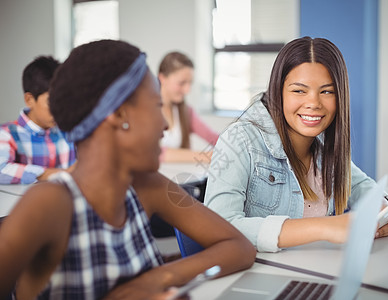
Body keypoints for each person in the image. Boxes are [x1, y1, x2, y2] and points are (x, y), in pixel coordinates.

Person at [0, 40, 255, 299]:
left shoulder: (149, 185)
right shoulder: (49, 204)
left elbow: (239, 246)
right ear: (119, 115)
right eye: (157, 107)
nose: (165, 125)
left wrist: (157, 279)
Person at [204, 36, 388, 253]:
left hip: (317, 270)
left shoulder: (324, 140)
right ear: (278, 92)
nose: (314, 103)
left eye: (327, 91)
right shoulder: (241, 140)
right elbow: (218, 228)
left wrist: (385, 209)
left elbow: (358, 184)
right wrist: (324, 228)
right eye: (299, 90)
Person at [0, 56, 76, 184]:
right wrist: (58, 174)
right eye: (51, 102)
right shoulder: (7, 134)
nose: (59, 109)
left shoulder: (70, 131)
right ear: (29, 100)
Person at [158, 51, 219, 163]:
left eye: (190, 83)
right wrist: (206, 156)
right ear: (162, 78)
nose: (187, 90)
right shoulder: (146, 112)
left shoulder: (186, 112)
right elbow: (155, 153)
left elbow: (214, 138)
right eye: (181, 83)